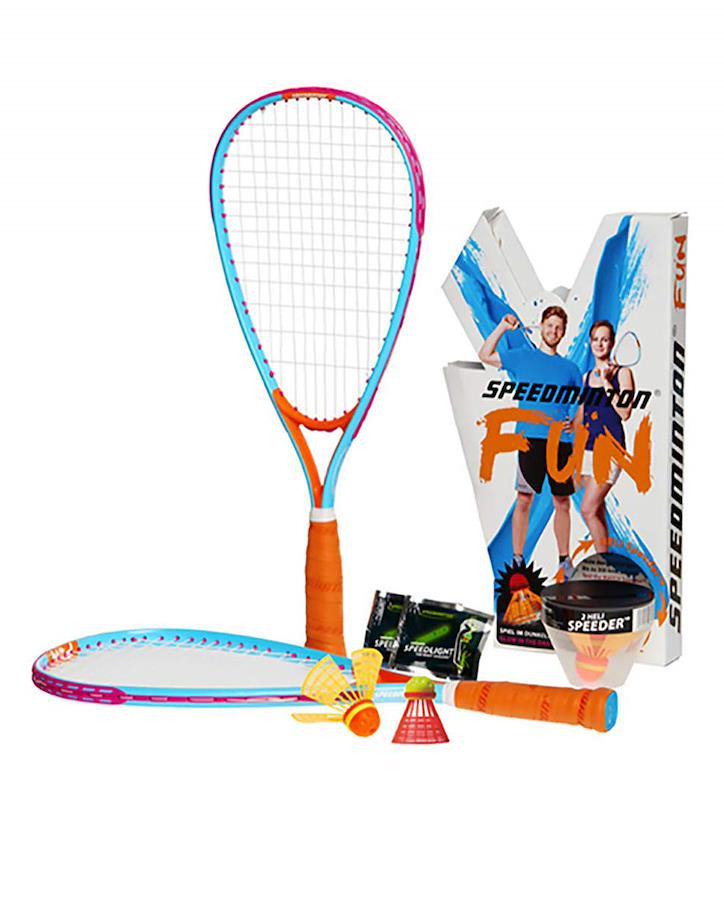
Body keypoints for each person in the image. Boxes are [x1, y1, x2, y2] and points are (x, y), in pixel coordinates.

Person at [479, 306, 581, 580]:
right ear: (541, 326)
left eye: (558, 328)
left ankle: (564, 561)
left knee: (562, 502)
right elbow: (484, 355)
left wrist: (575, 422)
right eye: (550, 325)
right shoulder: (522, 357)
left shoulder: (570, 368)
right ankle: (517, 560)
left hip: (560, 443)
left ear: (564, 332)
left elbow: (582, 403)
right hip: (529, 441)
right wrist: (502, 327)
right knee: (524, 499)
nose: (553, 331)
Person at [574, 320, 635, 553]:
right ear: (590, 343)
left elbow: (625, 412)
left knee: (587, 509)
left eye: (605, 339)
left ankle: (604, 563)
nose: (600, 344)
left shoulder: (623, 374)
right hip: (587, 450)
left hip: (610, 450)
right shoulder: (585, 378)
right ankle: (605, 564)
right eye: (596, 339)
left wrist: (607, 381)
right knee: (597, 510)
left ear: (612, 343)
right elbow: (581, 416)